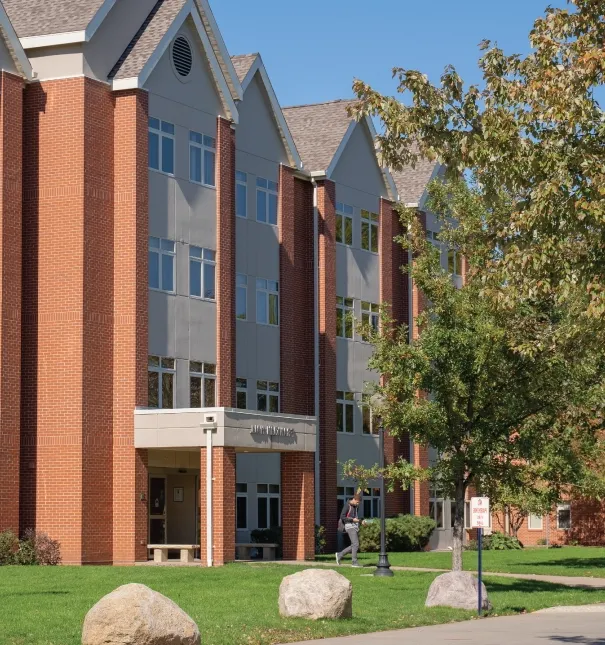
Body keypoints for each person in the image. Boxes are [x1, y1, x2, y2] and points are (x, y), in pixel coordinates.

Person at [336, 495, 366, 567]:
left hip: (354, 526)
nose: (358, 504)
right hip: (349, 526)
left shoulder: (355, 507)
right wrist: (352, 520)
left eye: (359, 503)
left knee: (354, 545)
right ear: (354, 499)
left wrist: (361, 521)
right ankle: (354, 562)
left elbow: (355, 517)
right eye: (357, 502)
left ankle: (340, 555)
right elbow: (342, 517)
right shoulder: (347, 505)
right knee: (356, 544)